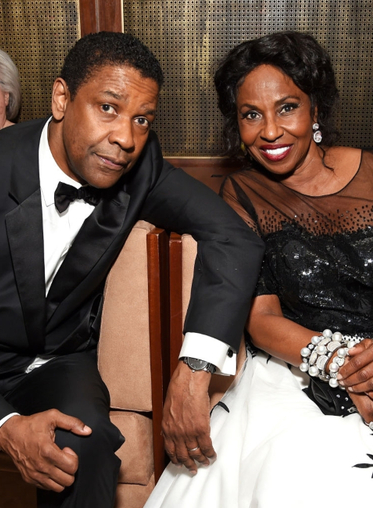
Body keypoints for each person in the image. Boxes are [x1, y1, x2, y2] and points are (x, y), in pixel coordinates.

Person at [0, 31, 264, 507]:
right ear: (62, 98)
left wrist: (194, 367)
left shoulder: (139, 165)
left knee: (86, 444)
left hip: (58, 358)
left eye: (142, 119)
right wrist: (5, 428)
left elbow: (234, 237)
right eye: (107, 108)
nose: (125, 137)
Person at [145, 31, 373, 508]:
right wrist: (345, 366)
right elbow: (261, 317)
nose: (269, 132)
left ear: (315, 109)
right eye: (251, 115)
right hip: (300, 369)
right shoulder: (244, 193)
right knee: (293, 473)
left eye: (287, 107)